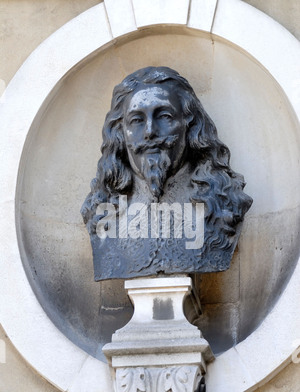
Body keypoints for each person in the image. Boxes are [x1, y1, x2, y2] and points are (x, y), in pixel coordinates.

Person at [81, 67, 252, 280]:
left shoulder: (223, 204)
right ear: (120, 132)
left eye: (164, 116)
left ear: (189, 125)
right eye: (137, 120)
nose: (150, 131)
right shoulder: (103, 212)